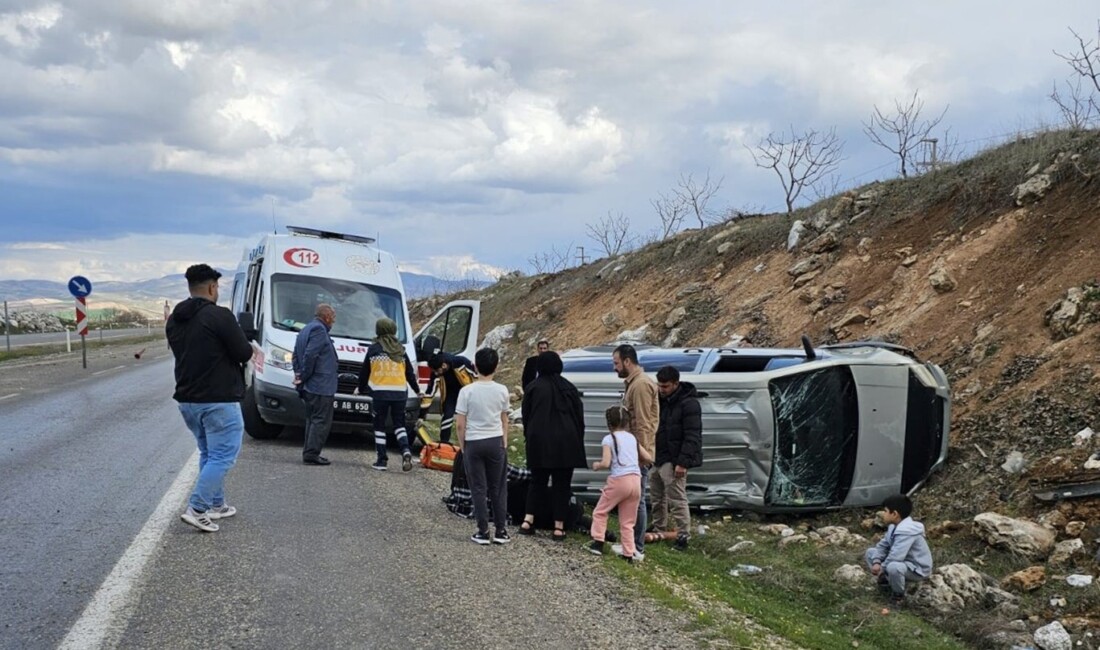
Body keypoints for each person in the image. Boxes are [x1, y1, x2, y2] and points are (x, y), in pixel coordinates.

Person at [166, 264, 254, 533]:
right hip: (218, 400)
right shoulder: (220, 316)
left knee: (209, 452)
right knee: (224, 455)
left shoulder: (175, 319)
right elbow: (243, 353)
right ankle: (198, 508)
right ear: (213, 287)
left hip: (187, 400)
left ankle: (217, 505)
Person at [519, 351, 586, 540]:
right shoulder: (569, 388)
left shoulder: (533, 387)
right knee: (562, 485)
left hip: (540, 441)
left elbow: (527, 417)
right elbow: (579, 419)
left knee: (537, 481)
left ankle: (528, 521)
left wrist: (529, 437)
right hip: (567, 443)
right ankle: (559, 527)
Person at [455, 347, 512, 545]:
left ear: (475, 366)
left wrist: (463, 445)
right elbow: (504, 418)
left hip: (474, 441)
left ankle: (482, 531)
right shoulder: (502, 390)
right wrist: (504, 440)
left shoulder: (466, 391)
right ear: (496, 366)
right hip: (495, 440)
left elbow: (460, 423)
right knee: (498, 487)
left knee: (478, 487)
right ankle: (501, 530)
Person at [610, 344, 659, 561]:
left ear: (627, 361)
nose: (615, 367)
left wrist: (637, 453)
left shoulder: (640, 386)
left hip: (638, 454)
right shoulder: (634, 384)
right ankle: (631, 544)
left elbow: (642, 423)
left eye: (617, 363)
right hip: (636, 452)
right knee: (632, 499)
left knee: (636, 500)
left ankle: (636, 547)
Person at [587, 405, 653, 562]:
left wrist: (598, 465)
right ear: (627, 422)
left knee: (601, 511)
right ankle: (628, 553)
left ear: (609, 423)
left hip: (619, 480)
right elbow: (649, 458)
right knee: (628, 521)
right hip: (636, 480)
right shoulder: (632, 438)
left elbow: (606, 462)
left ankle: (598, 542)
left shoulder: (609, 439)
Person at [356, 317, 422, 472]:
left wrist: (360, 388)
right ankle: (405, 450)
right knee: (399, 424)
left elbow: (365, 372)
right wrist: (417, 390)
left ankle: (382, 460)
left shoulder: (374, 349)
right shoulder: (400, 350)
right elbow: (410, 374)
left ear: (379, 330)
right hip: (400, 393)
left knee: (379, 425)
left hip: (380, 393)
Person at [652, 365, 703, 549]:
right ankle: (659, 527)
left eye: (665, 386)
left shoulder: (689, 404)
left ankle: (683, 535)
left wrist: (682, 463)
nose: (661, 390)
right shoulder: (660, 400)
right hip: (657, 456)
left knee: (677, 499)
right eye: (659, 386)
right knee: (657, 497)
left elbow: (692, 436)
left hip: (674, 460)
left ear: (675, 384)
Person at [863, 494, 933, 604]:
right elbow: (883, 546)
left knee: (893, 566)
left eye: (886, 511)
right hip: (903, 563)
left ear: (894, 514)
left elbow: (897, 555)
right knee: (871, 552)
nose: (883, 514)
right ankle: (885, 582)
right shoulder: (893, 527)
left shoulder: (907, 531)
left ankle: (898, 595)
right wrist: (876, 561)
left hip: (917, 568)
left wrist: (882, 568)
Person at [294, 304, 338, 465]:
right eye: (333, 316)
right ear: (326, 316)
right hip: (320, 386)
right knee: (320, 421)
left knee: (312, 420)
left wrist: (299, 375)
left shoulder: (305, 329)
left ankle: (309, 451)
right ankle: (312, 454)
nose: (334, 320)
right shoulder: (319, 330)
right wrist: (304, 376)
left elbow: (295, 355)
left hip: (311, 385)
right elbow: (310, 355)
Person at [427, 352, 476, 444]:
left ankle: (471, 442)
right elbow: (429, 392)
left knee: (471, 418)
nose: (436, 373)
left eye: (437, 370)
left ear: (444, 365)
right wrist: (422, 413)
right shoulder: (436, 372)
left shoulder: (461, 362)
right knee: (447, 415)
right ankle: (444, 442)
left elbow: (476, 376)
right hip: (450, 394)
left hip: (467, 394)